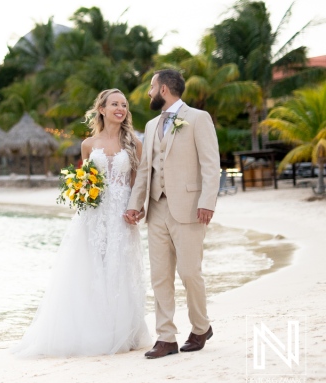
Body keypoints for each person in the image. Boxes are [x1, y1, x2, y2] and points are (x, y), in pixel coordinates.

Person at [12, 89, 152, 357]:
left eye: (124, 104)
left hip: (123, 214)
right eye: (114, 104)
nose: (120, 108)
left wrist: (138, 206)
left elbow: (138, 180)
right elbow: (86, 180)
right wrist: (79, 192)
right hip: (93, 216)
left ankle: (123, 331)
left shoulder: (134, 142)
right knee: (92, 268)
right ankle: (94, 330)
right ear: (102, 109)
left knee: (120, 267)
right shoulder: (88, 144)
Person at [124, 69, 220, 359]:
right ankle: (166, 338)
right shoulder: (152, 125)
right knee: (160, 277)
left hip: (190, 208)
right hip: (157, 209)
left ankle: (201, 327)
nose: (150, 93)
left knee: (190, 272)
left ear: (164, 89)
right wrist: (135, 203)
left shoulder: (198, 118)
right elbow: (145, 169)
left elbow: (210, 164)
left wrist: (208, 201)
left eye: (152, 87)